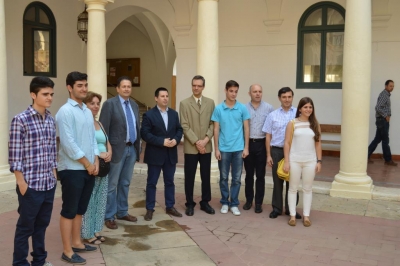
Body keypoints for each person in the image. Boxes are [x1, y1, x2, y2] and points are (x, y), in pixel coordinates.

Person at [9, 77, 57, 266]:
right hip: (30, 185)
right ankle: (20, 263)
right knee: (25, 228)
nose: (49, 98)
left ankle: (39, 260)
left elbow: (53, 150)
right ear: (33, 94)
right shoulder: (20, 120)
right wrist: (21, 183)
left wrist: (54, 174)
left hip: (48, 183)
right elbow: (15, 155)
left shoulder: (51, 120)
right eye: (45, 94)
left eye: (51, 94)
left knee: (41, 226)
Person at [56, 72, 99, 265]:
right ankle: (67, 251)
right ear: (69, 87)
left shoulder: (86, 111)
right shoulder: (65, 111)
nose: (83, 89)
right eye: (79, 85)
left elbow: (92, 140)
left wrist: (96, 160)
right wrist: (87, 164)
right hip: (72, 169)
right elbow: (68, 144)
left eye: (85, 85)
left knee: (80, 209)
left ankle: (77, 242)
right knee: (69, 210)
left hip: (88, 168)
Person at [99, 76, 141, 230]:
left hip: (131, 149)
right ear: (117, 89)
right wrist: (105, 151)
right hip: (116, 150)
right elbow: (104, 129)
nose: (126, 89)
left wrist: (138, 149)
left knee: (125, 183)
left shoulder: (134, 105)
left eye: (129, 86)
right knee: (112, 185)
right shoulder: (110, 104)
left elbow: (137, 128)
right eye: (123, 86)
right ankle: (109, 216)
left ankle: (122, 211)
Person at [141, 87, 183, 221]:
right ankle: (149, 209)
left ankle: (170, 206)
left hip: (170, 154)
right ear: (156, 98)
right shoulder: (149, 115)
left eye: (167, 96)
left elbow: (179, 129)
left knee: (169, 182)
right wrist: (162, 142)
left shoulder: (174, 114)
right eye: (162, 96)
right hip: (155, 154)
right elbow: (145, 134)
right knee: (151, 183)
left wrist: (176, 140)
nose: (165, 98)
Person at [211, 80, 250, 216]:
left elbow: (246, 128)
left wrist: (246, 147)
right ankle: (224, 202)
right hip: (224, 148)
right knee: (223, 177)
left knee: (237, 178)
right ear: (225, 91)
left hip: (239, 148)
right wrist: (216, 149)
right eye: (231, 91)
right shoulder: (218, 109)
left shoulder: (242, 108)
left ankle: (234, 203)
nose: (233, 94)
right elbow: (216, 129)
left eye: (236, 91)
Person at [262, 87, 301, 220]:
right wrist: (268, 155)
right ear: (279, 98)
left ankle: (291, 209)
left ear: (292, 97)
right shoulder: (272, 115)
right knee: (277, 181)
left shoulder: (298, 114)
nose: (287, 99)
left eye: (289, 97)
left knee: (293, 181)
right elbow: (268, 136)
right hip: (277, 151)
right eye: (284, 97)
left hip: (294, 152)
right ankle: (277, 208)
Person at [179, 75, 215, 216]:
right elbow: (184, 125)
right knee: (190, 176)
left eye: (199, 85)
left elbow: (213, 123)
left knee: (206, 175)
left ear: (203, 87)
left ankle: (205, 202)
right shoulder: (184, 103)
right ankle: (189, 203)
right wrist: (196, 142)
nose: (196, 88)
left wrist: (205, 140)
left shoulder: (210, 103)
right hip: (191, 146)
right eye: (194, 85)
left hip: (206, 145)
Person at [283, 97, 322, 227]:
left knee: (307, 189)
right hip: (294, 160)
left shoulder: (315, 124)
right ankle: (292, 215)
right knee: (293, 188)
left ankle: (306, 216)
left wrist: (319, 161)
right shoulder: (292, 123)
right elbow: (287, 143)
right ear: (300, 108)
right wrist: (287, 161)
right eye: (305, 107)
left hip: (310, 161)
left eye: (310, 107)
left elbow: (318, 144)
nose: (308, 109)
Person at [81, 92, 112, 244]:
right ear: (85, 105)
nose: (96, 106)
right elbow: (86, 146)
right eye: (92, 103)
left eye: (97, 103)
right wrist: (99, 156)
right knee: (90, 200)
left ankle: (96, 229)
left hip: (104, 166)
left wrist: (109, 153)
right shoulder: (84, 124)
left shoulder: (99, 124)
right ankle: (87, 233)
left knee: (101, 200)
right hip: (92, 166)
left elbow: (107, 141)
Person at [243, 84, 274, 213]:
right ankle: (249, 200)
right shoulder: (243, 108)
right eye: (255, 91)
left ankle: (258, 203)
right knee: (249, 175)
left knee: (260, 176)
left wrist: (269, 151)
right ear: (249, 93)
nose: (257, 94)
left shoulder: (269, 108)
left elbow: (272, 129)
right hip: (248, 144)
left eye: (260, 91)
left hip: (262, 143)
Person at [368, 80, 397, 166]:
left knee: (377, 139)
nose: (392, 87)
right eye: (390, 86)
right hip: (382, 121)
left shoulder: (386, 95)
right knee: (385, 140)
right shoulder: (384, 95)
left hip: (382, 121)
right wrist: (386, 116)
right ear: (386, 86)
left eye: (393, 86)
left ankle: (365, 156)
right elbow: (378, 107)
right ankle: (388, 160)